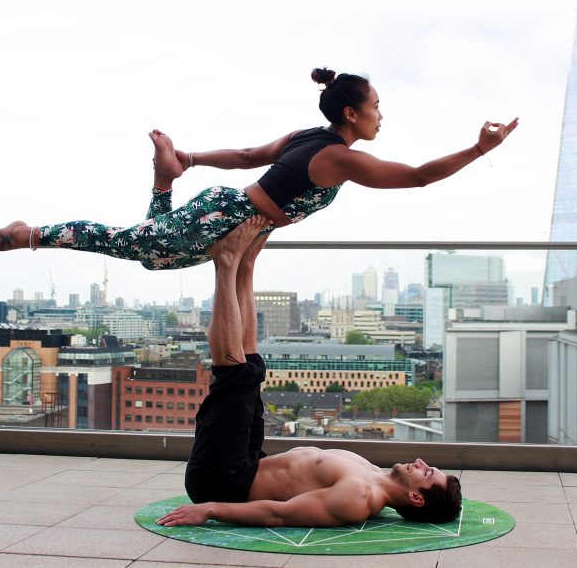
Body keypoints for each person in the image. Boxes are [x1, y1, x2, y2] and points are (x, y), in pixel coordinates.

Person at [0, 68, 518, 269]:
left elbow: (250, 157)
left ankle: (165, 176)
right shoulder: (341, 157)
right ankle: (32, 233)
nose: (382, 115)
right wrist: (480, 150)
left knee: (154, 247)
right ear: (352, 112)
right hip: (227, 218)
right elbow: (419, 176)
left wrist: (190, 158)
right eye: (376, 106)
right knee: (142, 249)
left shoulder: (307, 137)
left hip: (227, 208)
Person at [156, 216, 462, 528]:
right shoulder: (372, 473)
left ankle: (225, 261)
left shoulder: (357, 499)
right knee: (252, 366)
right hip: (249, 463)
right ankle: (245, 265)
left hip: (222, 479)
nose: (422, 463)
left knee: (234, 374)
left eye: (427, 473)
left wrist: (209, 510)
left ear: (416, 498)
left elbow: (279, 513)